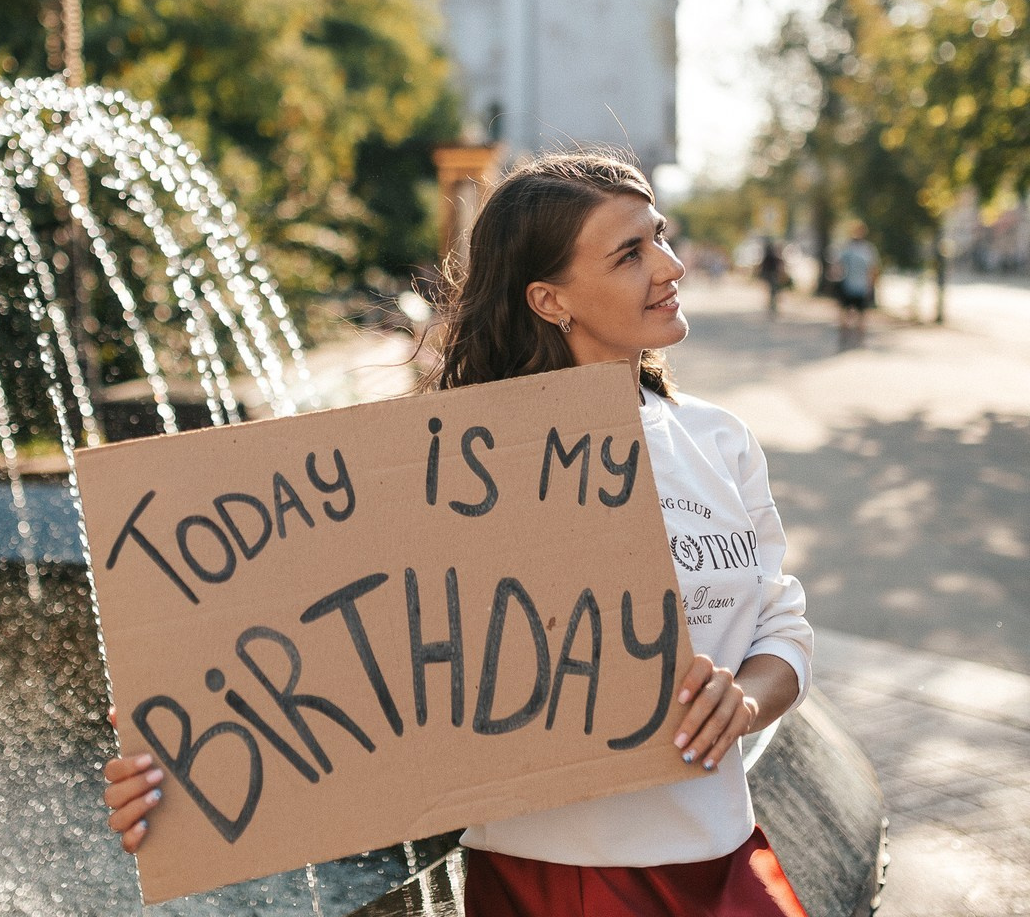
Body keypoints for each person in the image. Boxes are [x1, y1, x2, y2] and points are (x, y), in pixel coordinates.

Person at [102, 149, 815, 917]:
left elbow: (783, 624)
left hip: (726, 855)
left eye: (661, 236)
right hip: (559, 881)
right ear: (551, 300)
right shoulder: (455, 473)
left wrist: (743, 703)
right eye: (631, 253)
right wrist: (174, 769)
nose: (671, 266)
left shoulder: (720, 440)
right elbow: (331, 658)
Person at [833, 222, 879, 348]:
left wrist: (871, 285)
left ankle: (858, 341)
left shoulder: (865, 249)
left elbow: (872, 270)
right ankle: (846, 339)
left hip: (860, 287)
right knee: (847, 314)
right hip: (849, 285)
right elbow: (839, 266)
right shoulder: (852, 249)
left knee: (860, 316)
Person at [755, 239, 788, 319]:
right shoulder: (774, 256)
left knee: (772, 291)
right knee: (773, 291)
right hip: (773, 275)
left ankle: (772, 304)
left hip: (769, 275)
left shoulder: (768, 256)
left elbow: (762, 266)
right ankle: (773, 305)